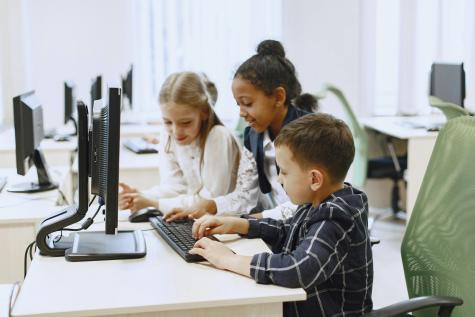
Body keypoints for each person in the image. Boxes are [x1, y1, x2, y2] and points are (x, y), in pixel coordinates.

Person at [190, 113, 374, 317]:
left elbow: (298, 269)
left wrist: (228, 260)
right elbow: (289, 231)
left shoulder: (335, 217)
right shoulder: (316, 202)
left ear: (314, 179)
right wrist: (238, 224)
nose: (279, 179)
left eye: (284, 172)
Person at [165, 39, 318, 222]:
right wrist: (209, 205)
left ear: (278, 97)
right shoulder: (253, 136)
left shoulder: (310, 134)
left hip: (312, 228)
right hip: (281, 227)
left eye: (247, 103)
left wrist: (249, 222)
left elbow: (306, 205)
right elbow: (244, 196)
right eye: (239, 105)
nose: (242, 113)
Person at [119, 72, 247, 215]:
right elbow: (175, 187)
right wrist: (141, 196)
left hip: (232, 222)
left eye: (185, 122)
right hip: (202, 220)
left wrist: (154, 203)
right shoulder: (168, 135)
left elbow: (208, 201)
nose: (176, 131)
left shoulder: (218, 136)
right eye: (167, 122)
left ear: (204, 112)